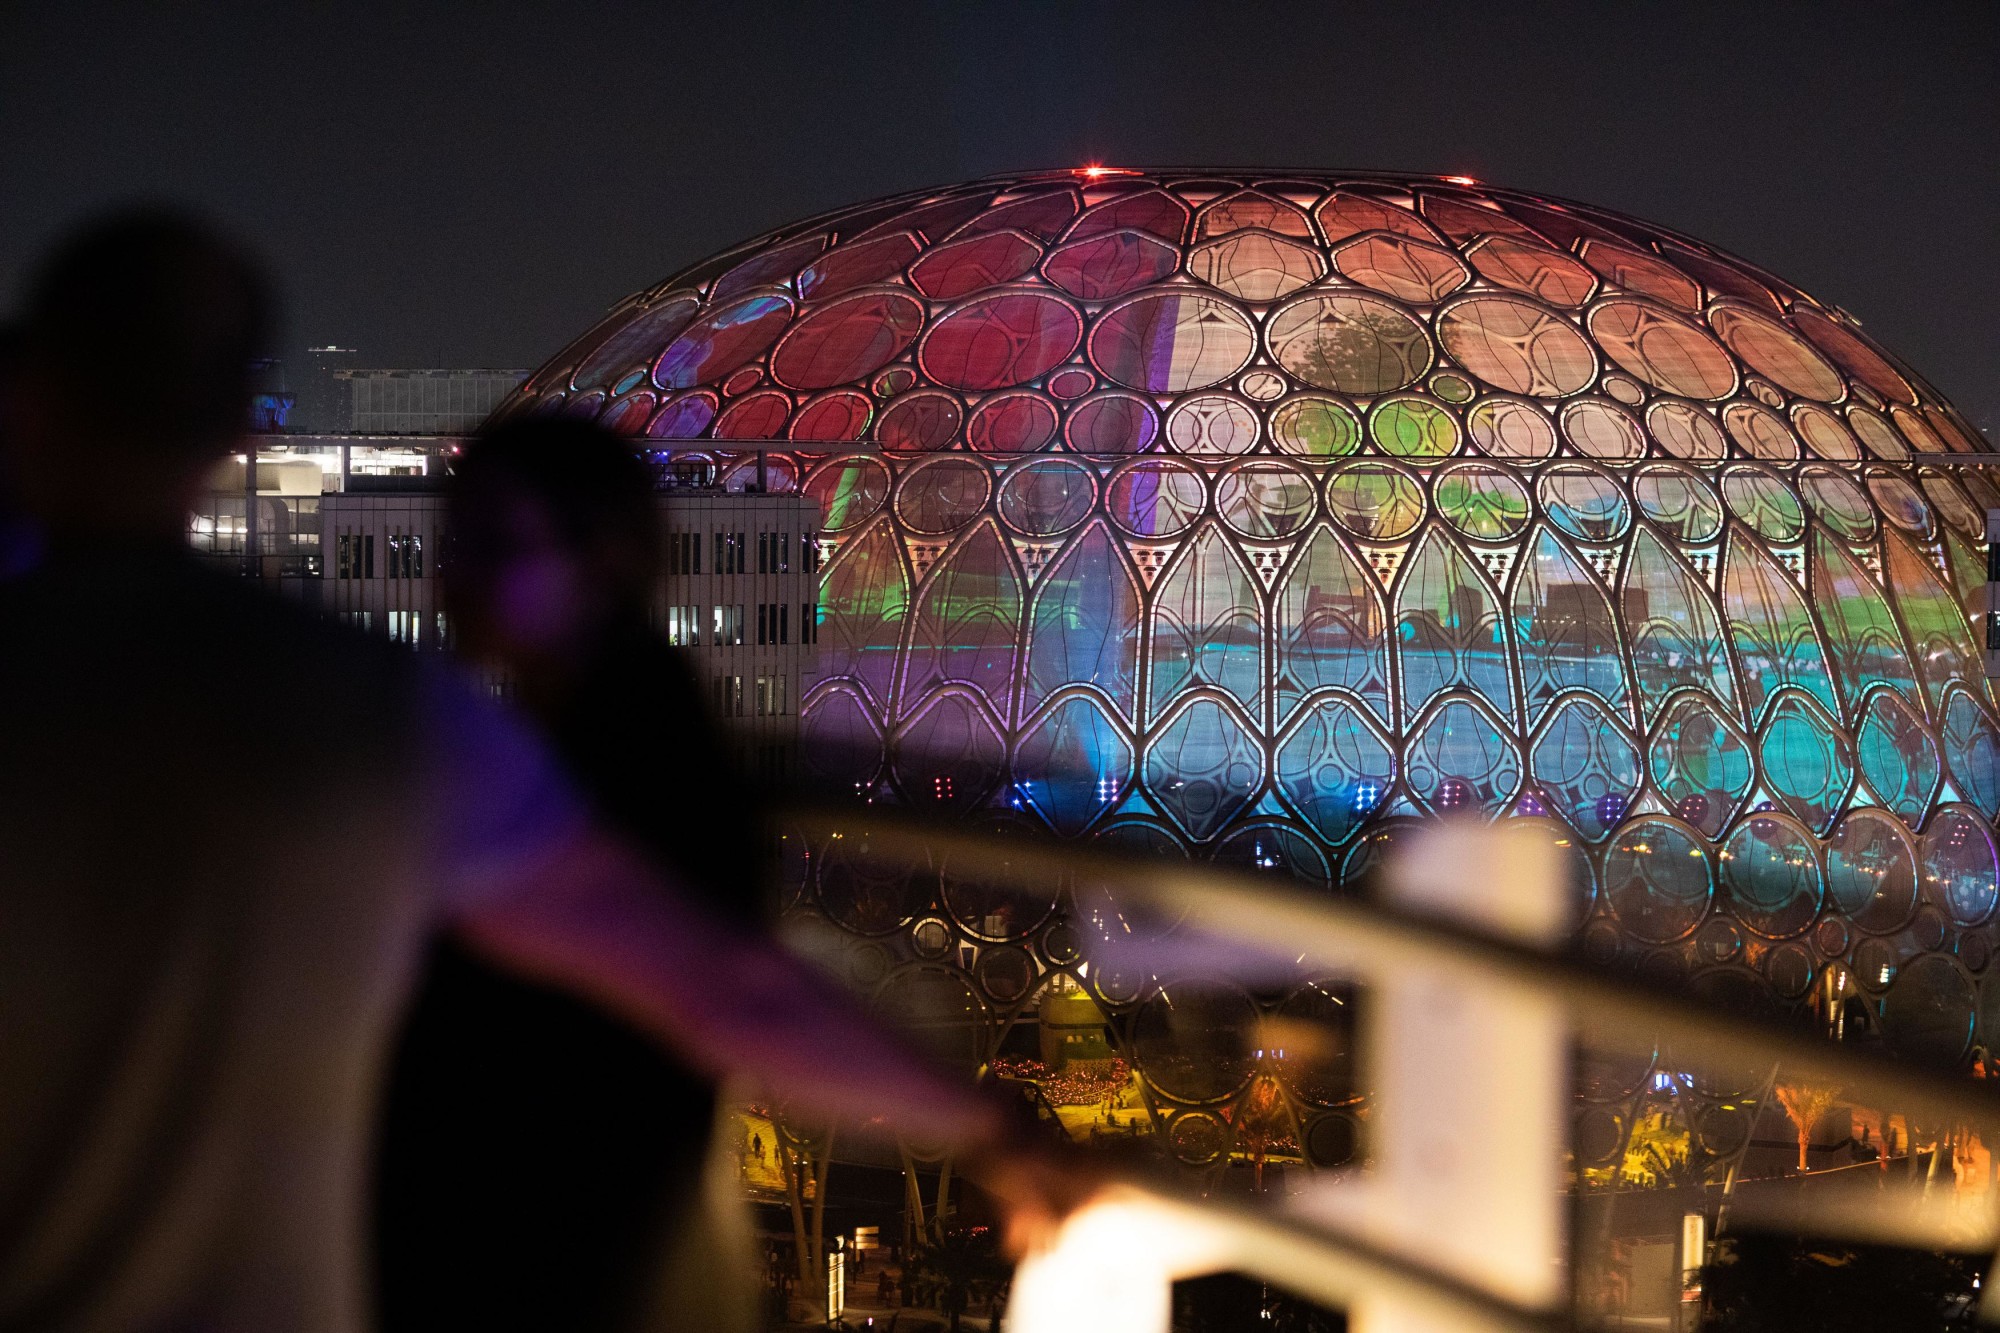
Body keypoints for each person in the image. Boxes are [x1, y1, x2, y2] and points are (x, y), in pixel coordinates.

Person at [0, 211, 1072, 1333]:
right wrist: (990, 1129)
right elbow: (716, 985)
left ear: (27, 394)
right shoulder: (370, 712)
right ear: (233, 423)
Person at [375, 418, 766, 1332]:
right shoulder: (591, 725)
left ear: (606, 561)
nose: (452, 578)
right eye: (452, 544)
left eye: (495, 545)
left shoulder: (630, 755)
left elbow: (718, 984)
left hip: (542, 1251)